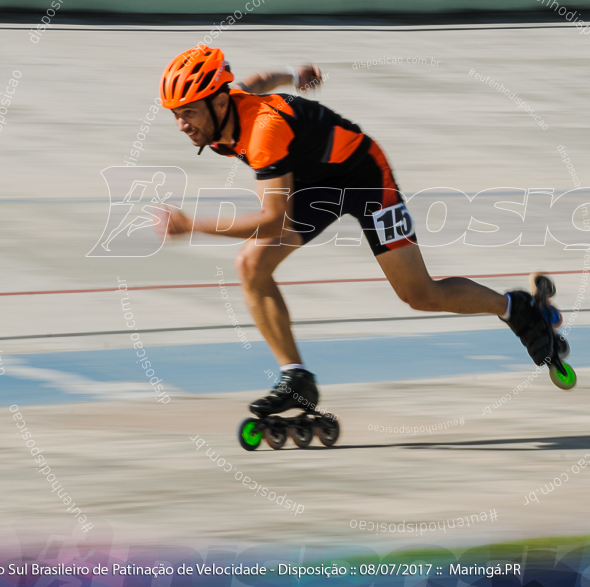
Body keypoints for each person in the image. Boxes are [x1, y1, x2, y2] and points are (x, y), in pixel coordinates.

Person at [158, 45, 558, 420]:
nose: (180, 125)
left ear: (220, 101)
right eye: (176, 114)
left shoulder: (263, 131)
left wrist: (193, 225)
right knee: (252, 264)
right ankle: (296, 377)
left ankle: (514, 308)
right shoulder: (229, 106)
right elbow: (259, 80)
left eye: (188, 112)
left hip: (364, 176)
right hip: (316, 185)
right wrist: (293, 74)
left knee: (419, 294)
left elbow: (273, 219)